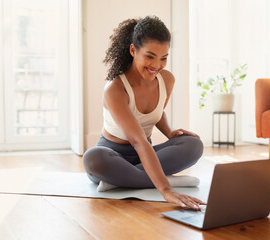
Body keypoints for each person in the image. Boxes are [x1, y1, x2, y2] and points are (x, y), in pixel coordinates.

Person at [82, 16, 204, 210]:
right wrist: (165, 189)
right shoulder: (115, 89)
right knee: (92, 159)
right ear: (133, 50)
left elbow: (157, 112)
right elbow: (137, 140)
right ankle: (165, 180)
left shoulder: (167, 80)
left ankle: (123, 182)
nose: (156, 65)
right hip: (114, 156)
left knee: (194, 145)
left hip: (145, 154)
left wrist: (170, 133)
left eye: (163, 58)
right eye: (150, 56)